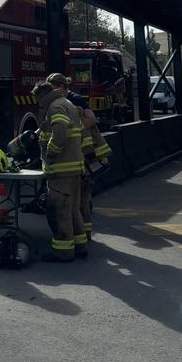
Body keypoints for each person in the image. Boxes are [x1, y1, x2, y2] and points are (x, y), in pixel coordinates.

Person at [47, 73, 112, 241]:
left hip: (86, 157)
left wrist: (75, 126)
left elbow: (91, 119)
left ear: (60, 87)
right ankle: (84, 235)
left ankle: (83, 235)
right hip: (83, 156)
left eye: (52, 88)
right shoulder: (66, 101)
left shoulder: (73, 100)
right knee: (81, 199)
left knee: (81, 199)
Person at [31, 79, 86, 262]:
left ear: (43, 96)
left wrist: (50, 154)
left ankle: (63, 251)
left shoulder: (54, 107)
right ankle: (80, 246)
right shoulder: (67, 103)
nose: (39, 105)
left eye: (38, 100)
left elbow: (60, 132)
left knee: (60, 210)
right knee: (73, 209)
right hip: (75, 166)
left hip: (62, 168)